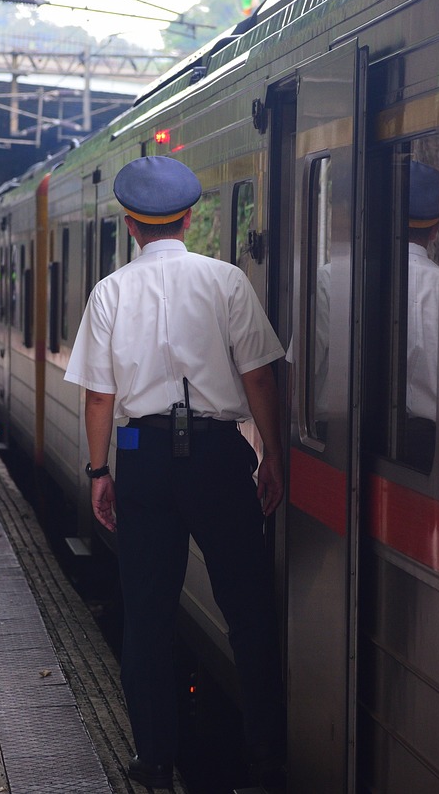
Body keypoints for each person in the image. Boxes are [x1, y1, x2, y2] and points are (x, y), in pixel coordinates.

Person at [64, 156, 287, 790]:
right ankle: (266, 758)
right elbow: (260, 376)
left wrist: (99, 471)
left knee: (149, 615)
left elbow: (100, 399)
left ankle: (155, 760)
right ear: (189, 219)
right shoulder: (227, 282)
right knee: (247, 612)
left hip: (141, 457)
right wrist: (271, 454)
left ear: (130, 224)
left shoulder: (109, 292)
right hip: (219, 457)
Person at [404, 160, 439, 471]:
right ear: (436, 228)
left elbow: (296, 375)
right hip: (429, 450)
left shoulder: (328, 279)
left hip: (332, 440)